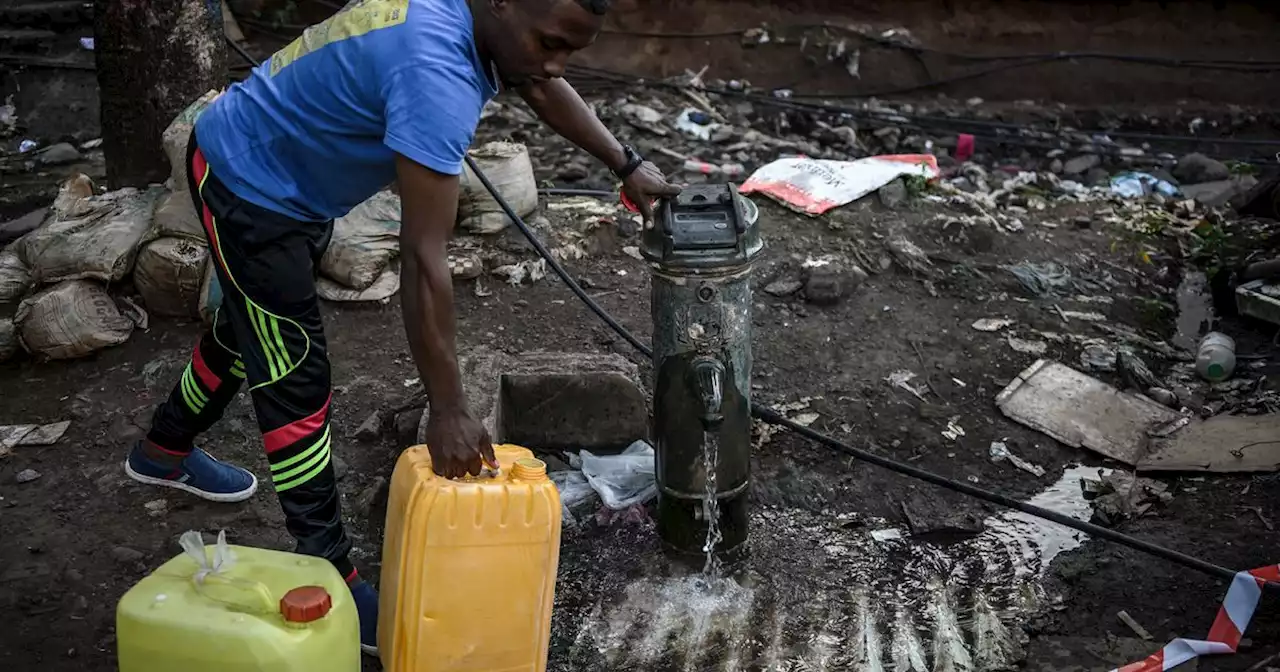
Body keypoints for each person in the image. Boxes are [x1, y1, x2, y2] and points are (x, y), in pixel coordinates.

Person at [121, 0, 679, 655]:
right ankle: (325, 564)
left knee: (251, 329)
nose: (556, 63)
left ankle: (162, 451)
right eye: (551, 42)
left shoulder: (482, 28)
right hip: (250, 180)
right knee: (294, 369)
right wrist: (447, 407)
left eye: (569, 51)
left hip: (287, 175)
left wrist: (626, 162)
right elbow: (422, 258)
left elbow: (540, 81)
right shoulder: (436, 76)